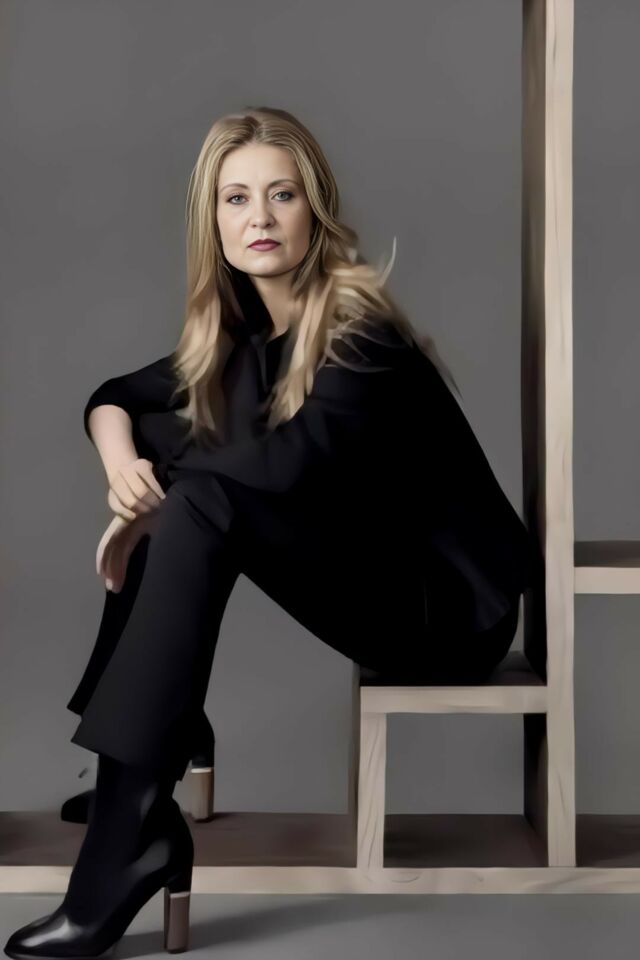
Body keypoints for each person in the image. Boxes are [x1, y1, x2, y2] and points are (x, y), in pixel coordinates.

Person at [5, 106, 540, 959]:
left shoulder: (359, 330)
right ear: (213, 221)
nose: (259, 217)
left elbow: (283, 472)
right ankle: (147, 765)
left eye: (281, 194)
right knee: (178, 470)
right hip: (367, 571)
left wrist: (151, 510)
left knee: (198, 500)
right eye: (237, 198)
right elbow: (116, 398)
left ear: (314, 209)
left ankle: (127, 827)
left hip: (442, 611)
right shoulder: (247, 333)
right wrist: (123, 473)